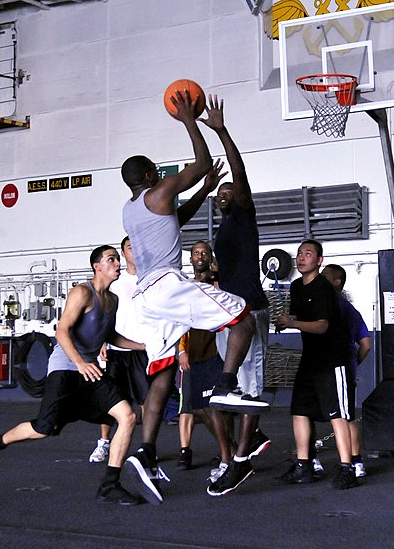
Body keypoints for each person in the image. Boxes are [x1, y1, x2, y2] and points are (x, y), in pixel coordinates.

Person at [120, 89, 269, 505]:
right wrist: (189, 120)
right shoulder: (161, 189)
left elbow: (176, 218)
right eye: (157, 170)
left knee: (163, 374)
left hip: (145, 297)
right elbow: (202, 162)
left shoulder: (132, 209)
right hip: (167, 285)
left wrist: (204, 191)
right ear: (150, 176)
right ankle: (226, 385)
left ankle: (147, 452)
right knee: (241, 317)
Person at [0, 245, 146, 505]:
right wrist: (80, 362)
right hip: (65, 369)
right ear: (97, 266)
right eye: (111, 259)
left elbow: (108, 335)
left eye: (117, 259)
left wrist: (142, 345)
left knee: (127, 416)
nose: (117, 263)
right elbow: (61, 331)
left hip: (90, 372)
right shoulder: (82, 292)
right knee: (43, 428)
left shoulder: (113, 300)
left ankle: (110, 485)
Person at [200, 96, 272, 496]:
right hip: (228, 313)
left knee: (249, 388)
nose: (224, 195)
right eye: (220, 193)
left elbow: (240, 174)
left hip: (250, 310)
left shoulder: (245, 213)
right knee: (226, 392)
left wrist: (221, 131)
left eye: (229, 191)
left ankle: (240, 461)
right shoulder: (224, 229)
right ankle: (235, 455)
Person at [275, 239, 357, 490]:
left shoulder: (323, 288)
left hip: (333, 359)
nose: (301, 258)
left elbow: (322, 326)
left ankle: (347, 468)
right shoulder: (296, 287)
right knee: (299, 410)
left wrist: (292, 323)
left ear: (319, 261)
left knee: (338, 414)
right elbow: (300, 317)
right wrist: (285, 320)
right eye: (299, 253)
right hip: (310, 359)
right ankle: (304, 465)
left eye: (308, 254)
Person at [176, 241, 237, 474]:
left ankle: (226, 459)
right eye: (195, 253)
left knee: (217, 407)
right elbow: (181, 320)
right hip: (195, 353)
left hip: (216, 353)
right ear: (191, 259)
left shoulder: (218, 283)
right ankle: (232, 452)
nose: (199, 256)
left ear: (210, 258)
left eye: (204, 253)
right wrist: (181, 350)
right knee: (200, 408)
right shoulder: (187, 286)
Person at [88, 236, 150, 463]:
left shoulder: (148, 279)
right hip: (116, 350)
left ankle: (146, 448)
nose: (134, 251)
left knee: (146, 401)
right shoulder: (115, 280)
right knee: (111, 400)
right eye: (129, 247)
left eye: (137, 246)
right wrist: (103, 341)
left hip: (141, 350)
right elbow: (105, 313)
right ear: (124, 254)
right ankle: (103, 443)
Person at [321, 264, 371, 478]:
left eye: (325, 277)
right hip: (339, 368)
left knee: (345, 416)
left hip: (337, 367)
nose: (320, 280)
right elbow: (366, 345)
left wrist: (348, 366)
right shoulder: (350, 309)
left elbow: (366, 345)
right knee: (343, 414)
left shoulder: (337, 307)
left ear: (337, 282)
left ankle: (355, 463)